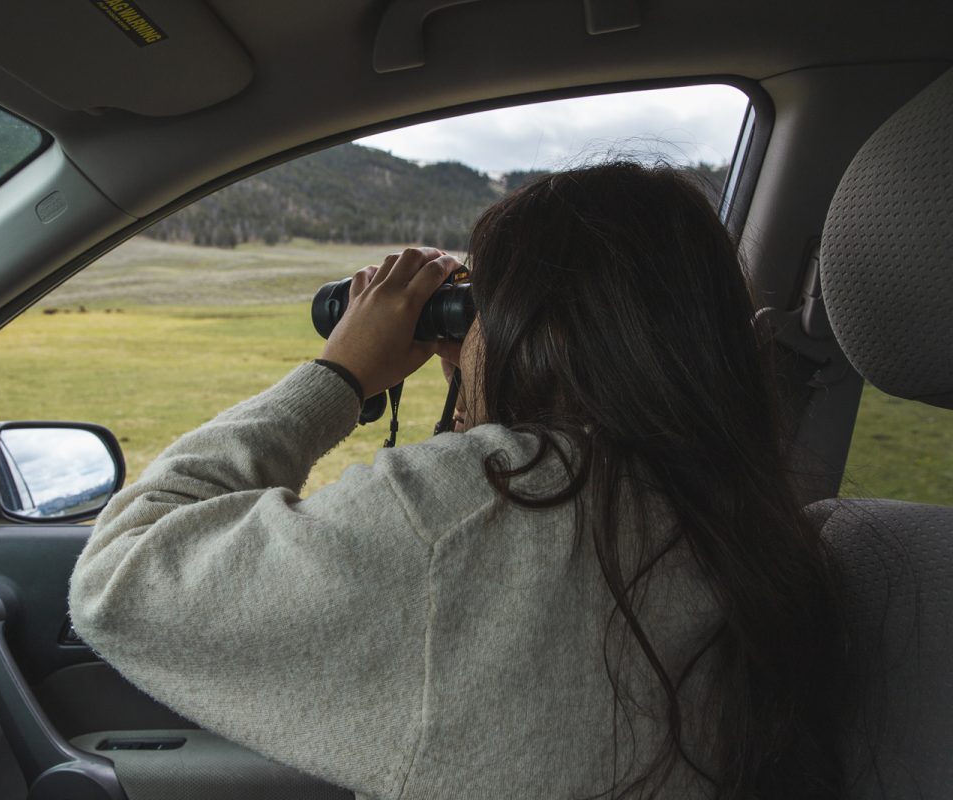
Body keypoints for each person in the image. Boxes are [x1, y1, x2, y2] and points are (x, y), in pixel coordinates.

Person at [68, 162, 845, 800]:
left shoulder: (466, 513)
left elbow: (119, 579)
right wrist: (481, 396)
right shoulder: (763, 520)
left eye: (481, 310)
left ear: (532, 328)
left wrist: (341, 372)